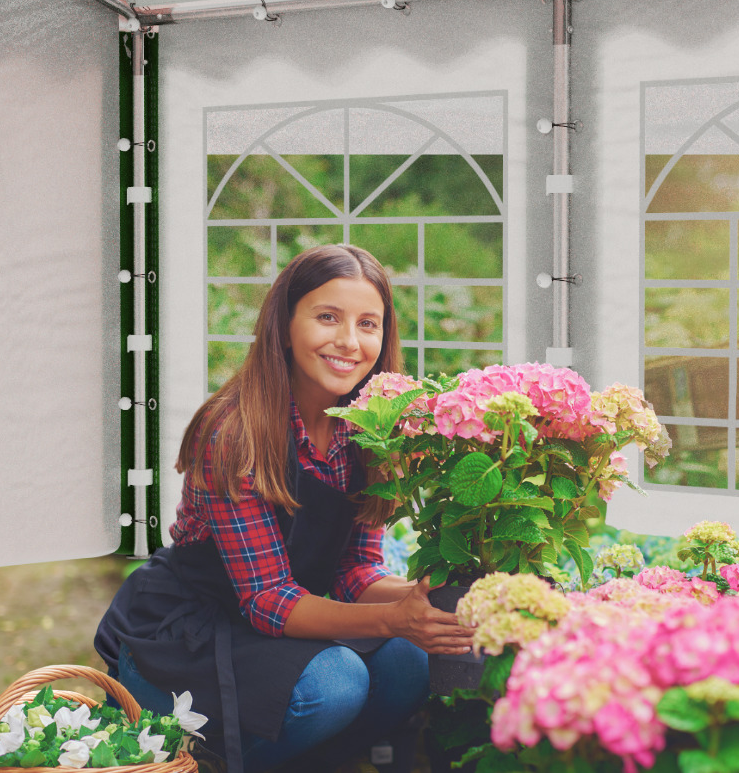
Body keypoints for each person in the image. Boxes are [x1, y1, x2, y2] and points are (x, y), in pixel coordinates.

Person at [94, 244, 475, 773]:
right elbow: (267, 599)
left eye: (368, 323)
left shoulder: (370, 430)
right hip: (186, 635)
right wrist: (393, 618)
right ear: (284, 322)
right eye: (327, 317)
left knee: (410, 661)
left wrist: (421, 602)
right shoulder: (234, 432)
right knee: (336, 682)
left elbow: (354, 570)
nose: (348, 341)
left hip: (271, 627)